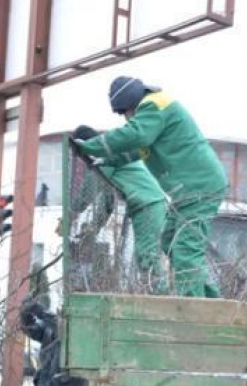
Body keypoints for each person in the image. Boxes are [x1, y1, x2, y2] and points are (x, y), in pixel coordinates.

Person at [76, 76, 229, 298]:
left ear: (130, 104)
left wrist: (92, 146)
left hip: (199, 187)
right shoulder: (154, 116)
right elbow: (135, 150)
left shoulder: (154, 105)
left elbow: (136, 134)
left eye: (123, 112)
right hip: (189, 191)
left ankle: (194, 312)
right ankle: (210, 301)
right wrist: (107, 159)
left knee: (186, 249)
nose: (125, 118)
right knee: (170, 240)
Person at [72, 124, 169, 295]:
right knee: (145, 255)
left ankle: (161, 296)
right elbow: (109, 199)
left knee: (147, 254)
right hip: (148, 204)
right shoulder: (111, 155)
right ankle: (157, 293)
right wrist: (94, 229)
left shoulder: (104, 157)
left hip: (149, 204)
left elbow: (89, 191)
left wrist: (72, 213)